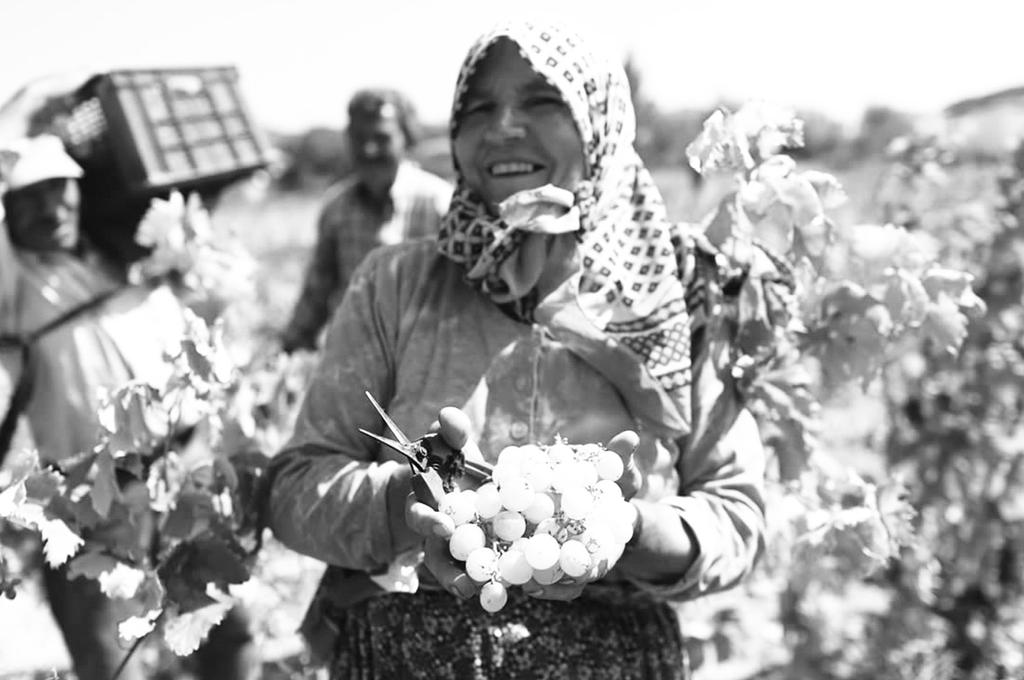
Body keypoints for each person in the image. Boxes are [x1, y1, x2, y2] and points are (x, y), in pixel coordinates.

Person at [265, 20, 782, 679]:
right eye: (478, 108)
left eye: (542, 100)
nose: (503, 126)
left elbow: (736, 515)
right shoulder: (394, 285)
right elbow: (293, 487)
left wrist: (627, 532)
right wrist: (402, 506)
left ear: (600, 121)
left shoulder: (681, 289)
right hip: (407, 654)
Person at [0, 131, 258, 679]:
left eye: (58, 187)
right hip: (95, 499)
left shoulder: (125, 246)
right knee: (112, 657)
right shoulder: (16, 276)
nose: (49, 207)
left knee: (223, 630)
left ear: (80, 188)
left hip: (183, 472)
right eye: (29, 195)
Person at [280, 88, 453, 353]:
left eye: (381, 138)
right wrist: (288, 348)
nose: (369, 149)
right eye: (359, 138)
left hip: (426, 363)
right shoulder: (337, 207)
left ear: (405, 137)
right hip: (355, 361)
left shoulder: (439, 203)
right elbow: (317, 291)